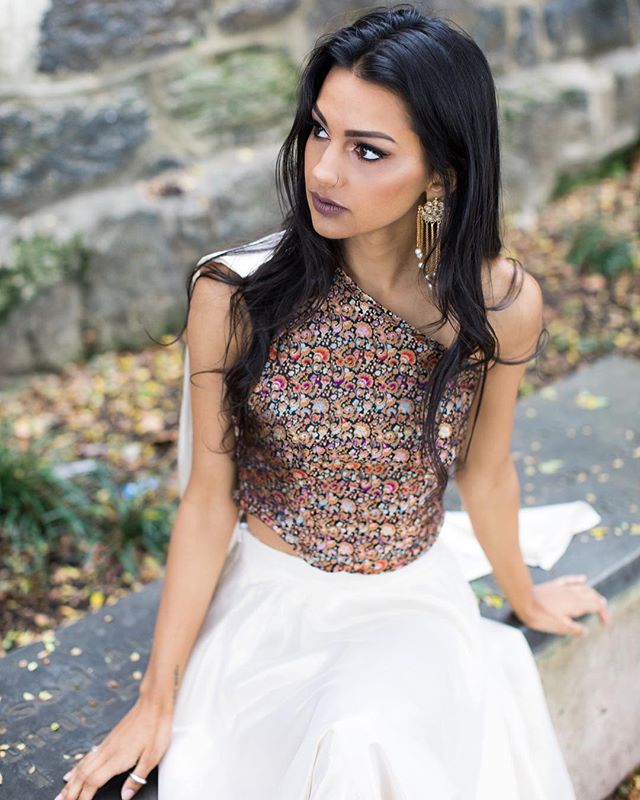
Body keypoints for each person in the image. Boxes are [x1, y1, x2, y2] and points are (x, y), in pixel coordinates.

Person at [54, 5, 611, 800]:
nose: (323, 171)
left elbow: (487, 473)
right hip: (271, 602)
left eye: (368, 151)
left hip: (410, 600)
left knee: (363, 741)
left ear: (442, 174)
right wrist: (156, 699)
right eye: (320, 132)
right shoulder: (235, 295)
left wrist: (522, 597)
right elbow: (208, 503)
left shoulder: (498, 306)